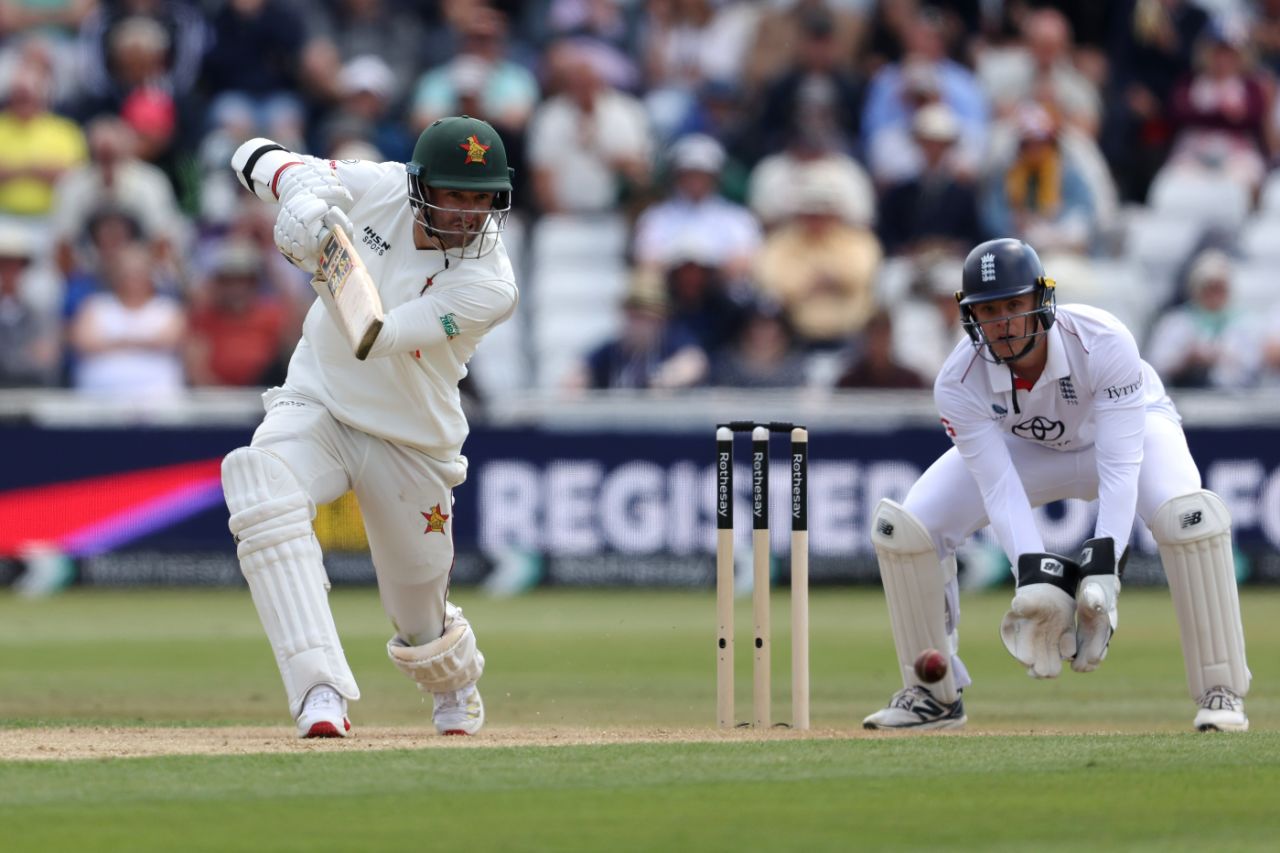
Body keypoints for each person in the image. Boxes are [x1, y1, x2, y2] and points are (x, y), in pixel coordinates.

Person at [862, 238, 1250, 733]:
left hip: (1127, 433)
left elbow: (1120, 464)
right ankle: (931, 695)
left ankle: (1221, 689)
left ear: (1041, 300)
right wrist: (1034, 578)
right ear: (970, 315)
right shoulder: (958, 381)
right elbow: (999, 486)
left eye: (1013, 305)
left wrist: (1105, 572)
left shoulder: (1103, 339)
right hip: (1028, 448)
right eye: (988, 311)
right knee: (908, 529)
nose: (1002, 323)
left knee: (1188, 519)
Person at [221, 115, 519, 739]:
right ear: (420, 185)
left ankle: (453, 678)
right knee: (258, 485)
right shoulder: (381, 185)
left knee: (419, 617)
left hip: (409, 437)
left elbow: (372, 333)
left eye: (482, 198)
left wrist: (317, 254)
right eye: (455, 195)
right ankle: (319, 690)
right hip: (318, 401)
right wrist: (299, 194)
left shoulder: (489, 284)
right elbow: (251, 154)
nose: (470, 214)